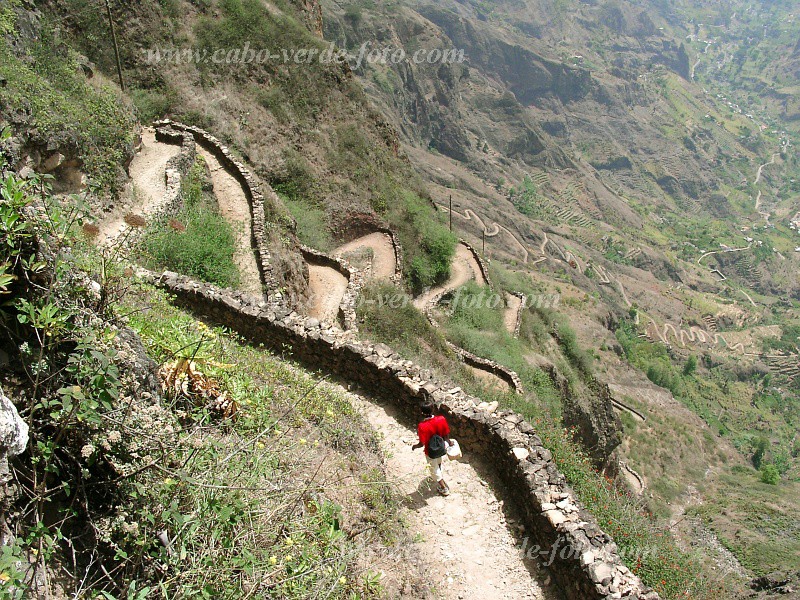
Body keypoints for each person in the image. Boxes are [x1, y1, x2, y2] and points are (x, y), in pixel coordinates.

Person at [411, 399, 454, 496]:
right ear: (433, 409)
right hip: (441, 446)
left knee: (433, 470)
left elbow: (422, 443)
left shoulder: (422, 426)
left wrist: (415, 446)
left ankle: (444, 488)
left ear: (422, 412)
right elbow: (446, 434)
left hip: (430, 450)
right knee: (438, 461)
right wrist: (450, 443)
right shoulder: (441, 419)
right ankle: (439, 470)